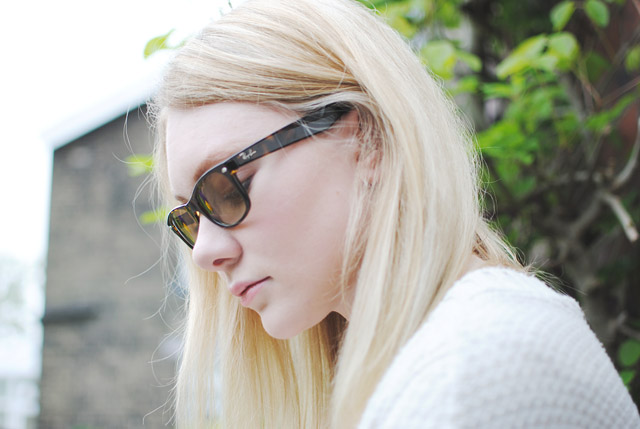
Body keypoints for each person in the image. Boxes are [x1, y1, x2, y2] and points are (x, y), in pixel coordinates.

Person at [149, 0, 640, 427]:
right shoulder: (433, 360)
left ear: (366, 140)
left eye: (227, 187)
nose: (204, 252)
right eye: (190, 217)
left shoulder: (474, 366)